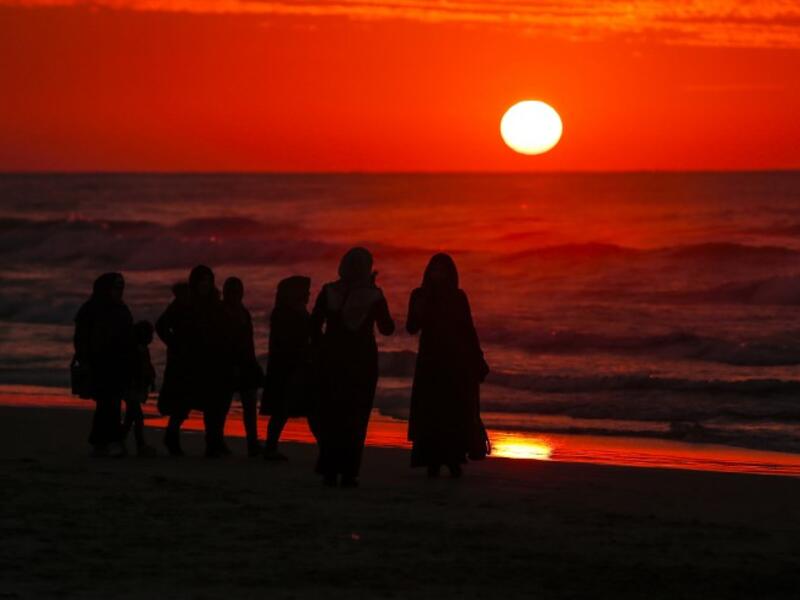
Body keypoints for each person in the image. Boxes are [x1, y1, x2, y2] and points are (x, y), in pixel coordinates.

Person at [310, 247, 395, 487]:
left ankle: (329, 469)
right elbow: (387, 328)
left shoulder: (329, 291)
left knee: (331, 415)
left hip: (331, 359)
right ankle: (349, 472)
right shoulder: (373, 295)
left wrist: (321, 348)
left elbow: (314, 325)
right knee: (356, 417)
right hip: (362, 361)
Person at [406, 253, 489, 478]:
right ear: (428, 272)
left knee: (453, 411)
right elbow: (411, 327)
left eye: (443, 270)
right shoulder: (419, 295)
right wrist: (420, 307)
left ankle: (453, 459)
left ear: (450, 273)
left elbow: (468, 329)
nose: (438, 274)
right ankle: (432, 461)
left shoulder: (458, 297)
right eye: (435, 269)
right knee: (430, 411)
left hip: (455, 361)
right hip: (430, 360)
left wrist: (478, 357)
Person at [74, 272, 135, 458]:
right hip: (98, 364)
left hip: (119, 364)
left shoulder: (122, 309)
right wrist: (84, 360)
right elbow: (81, 338)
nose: (119, 291)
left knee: (109, 404)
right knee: (109, 403)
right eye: (116, 287)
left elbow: (129, 337)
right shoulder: (90, 309)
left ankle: (101, 442)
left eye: (122, 287)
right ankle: (110, 442)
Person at [261, 276, 312, 461]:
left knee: (285, 410)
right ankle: (270, 448)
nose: (308, 294)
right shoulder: (286, 312)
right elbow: (289, 341)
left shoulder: (293, 311)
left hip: (292, 365)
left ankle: (270, 447)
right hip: (287, 366)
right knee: (282, 409)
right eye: (305, 291)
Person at [222, 276, 264, 457]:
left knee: (249, 405)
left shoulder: (243, 312)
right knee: (223, 405)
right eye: (232, 291)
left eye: (238, 291)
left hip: (246, 363)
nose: (236, 295)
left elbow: (249, 342)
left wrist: (253, 363)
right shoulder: (222, 312)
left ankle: (252, 443)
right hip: (228, 364)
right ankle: (216, 440)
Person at [156, 282, 191, 456]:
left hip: (190, 357)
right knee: (181, 399)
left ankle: (172, 435)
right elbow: (161, 325)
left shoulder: (189, 305)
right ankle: (171, 436)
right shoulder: (177, 306)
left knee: (185, 399)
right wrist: (174, 343)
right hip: (180, 359)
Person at [123, 320, 157, 457]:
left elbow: (147, 367)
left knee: (130, 418)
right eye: (149, 335)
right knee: (137, 417)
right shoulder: (133, 350)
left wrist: (151, 380)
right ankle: (140, 445)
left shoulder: (143, 350)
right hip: (131, 388)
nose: (151, 338)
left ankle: (120, 440)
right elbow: (133, 369)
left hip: (137, 388)